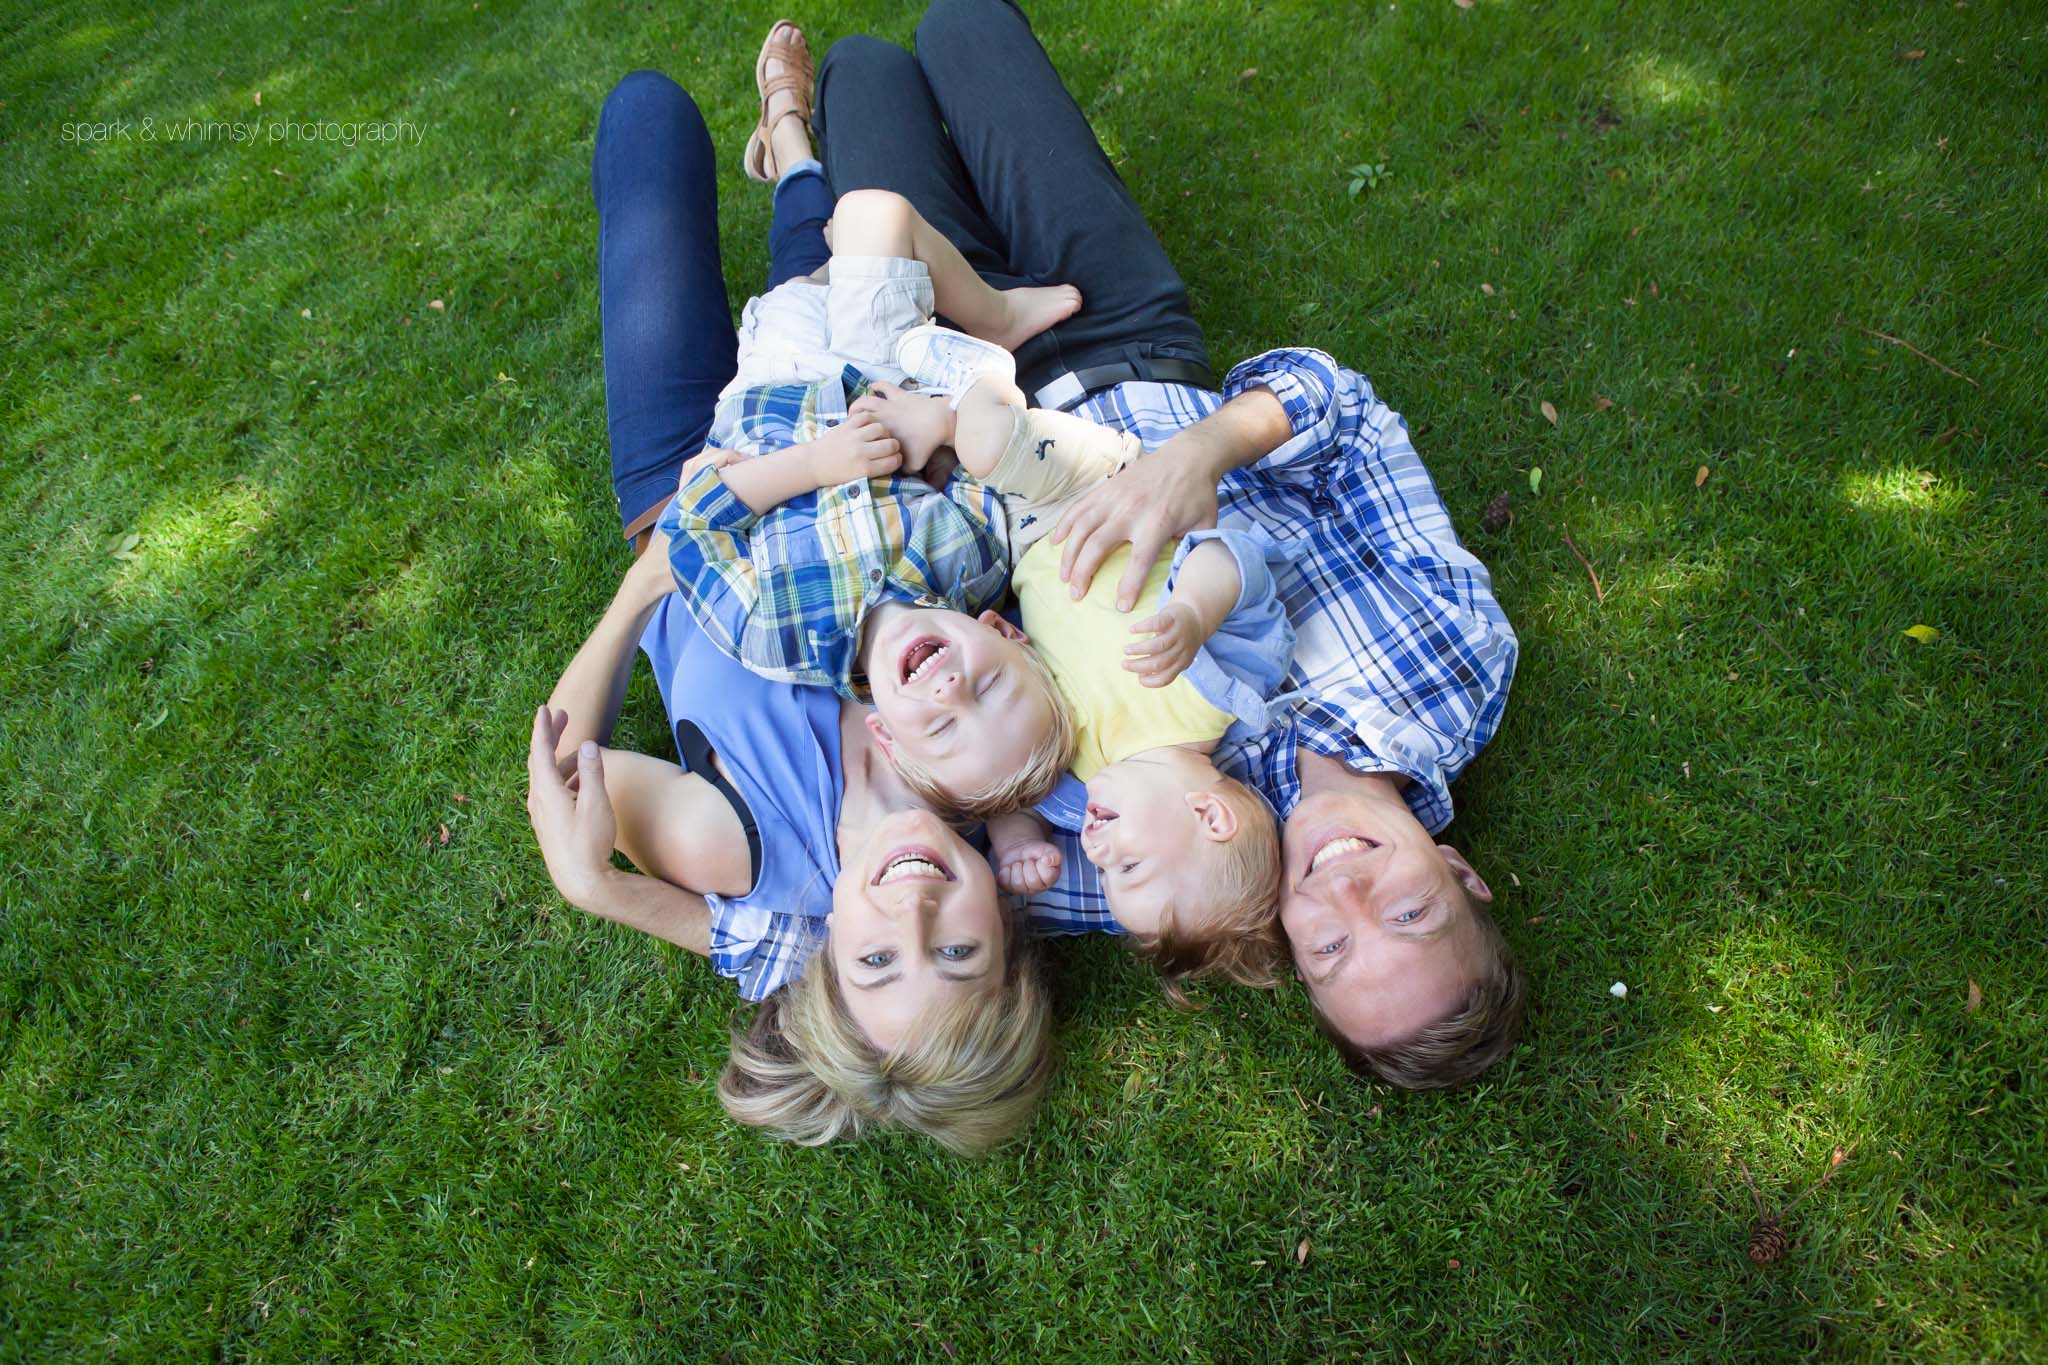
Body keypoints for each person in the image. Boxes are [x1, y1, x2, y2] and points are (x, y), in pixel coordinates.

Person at [814, 0, 1524, 1087]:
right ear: (1463, 877)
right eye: (1409, 912)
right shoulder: (1457, 662)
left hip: (969, 409)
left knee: (861, 80)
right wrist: (1202, 451)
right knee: (965, 27)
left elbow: (939, 886)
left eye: (1329, 946)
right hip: (1127, 334)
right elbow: (1346, 414)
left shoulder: (1178, 857)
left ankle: (800, 127)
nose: (1340, 891)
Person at [524, 32, 1050, 1154]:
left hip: (686, 488)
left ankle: (781, 137)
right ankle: (790, 131)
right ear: (1004, 926)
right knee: (806, 274)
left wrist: (641, 587)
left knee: (645, 118)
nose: (911, 911)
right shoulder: (990, 756)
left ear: (826, 960)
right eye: (955, 949)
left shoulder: (748, 852)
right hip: (833, 421)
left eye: (875, 958)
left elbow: (570, 763)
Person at [854, 358, 1294, 997]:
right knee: (987, 442)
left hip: (1012, 549)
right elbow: (1238, 565)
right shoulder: (1218, 696)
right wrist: (1195, 615)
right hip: (1092, 492)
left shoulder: (1075, 789)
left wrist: (1014, 844)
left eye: (1106, 878)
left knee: (923, 503)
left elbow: (1002, 784)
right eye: (1130, 866)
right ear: (1210, 815)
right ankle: (965, 394)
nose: (1098, 856)